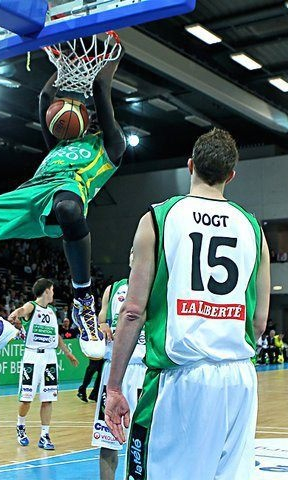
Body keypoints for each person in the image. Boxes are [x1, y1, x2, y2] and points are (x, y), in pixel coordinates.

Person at [0, 49, 126, 364]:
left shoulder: (109, 146)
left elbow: (100, 89)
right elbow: (44, 98)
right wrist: (64, 67)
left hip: (67, 192)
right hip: (29, 194)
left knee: (68, 209)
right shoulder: (59, 145)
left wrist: (114, 54)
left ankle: (83, 302)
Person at [104, 129, 270, 479]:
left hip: (179, 377)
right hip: (239, 378)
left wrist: (115, 386)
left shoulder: (158, 218)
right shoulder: (253, 228)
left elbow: (133, 311)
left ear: (190, 165)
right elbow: (258, 322)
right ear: (231, 175)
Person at [91, 251, 146, 480]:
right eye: (132, 250)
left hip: (144, 370)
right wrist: (100, 326)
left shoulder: (157, 286)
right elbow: (101, 320)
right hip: (113, 371)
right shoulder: (113, 289)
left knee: (144, 442)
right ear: (129, 257)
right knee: (107, 440)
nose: (135, 254)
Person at [9, 278, 78, 450]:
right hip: (32, 357)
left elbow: (56, 336)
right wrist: (15, 314)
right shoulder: (32, 306)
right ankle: (20, 425)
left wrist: (68, 353)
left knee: (48, 399)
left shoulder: (52, 311)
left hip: (50, 358)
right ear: (47, 290)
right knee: (26, 399)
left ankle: (44, 435)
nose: (53, 293)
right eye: (52, 290)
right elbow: (23, 309)